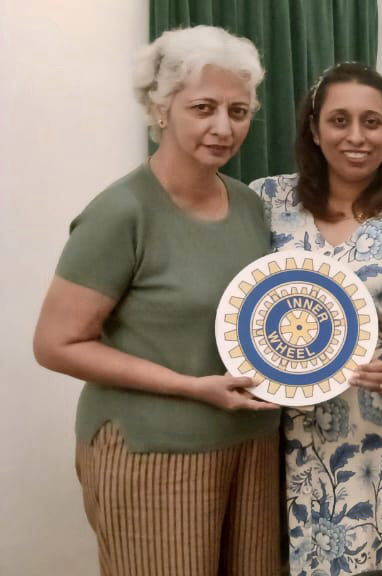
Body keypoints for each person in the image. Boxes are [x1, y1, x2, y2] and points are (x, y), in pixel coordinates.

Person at [32, 26, 280, 575]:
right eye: (204, 108)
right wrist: (190, 387)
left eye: (239, 111)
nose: (224, 127)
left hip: (251, 447)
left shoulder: (249, 206)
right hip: (153, 451)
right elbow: (54, 344)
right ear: (161, 108)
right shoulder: (121, 212)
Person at [249, 62, 382, 575]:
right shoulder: (265, 201)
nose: (356, 136)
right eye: (339, 120)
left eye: (372, 122)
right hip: (287, 430)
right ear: (314, 131)